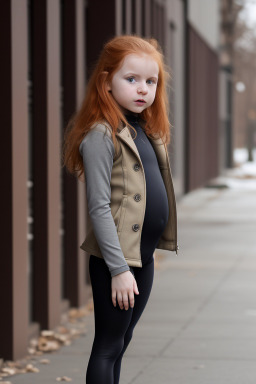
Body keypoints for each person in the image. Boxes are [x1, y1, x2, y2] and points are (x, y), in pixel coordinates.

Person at [62, 34, 178, 384]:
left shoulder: (144, 130)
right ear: (106, 82)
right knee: (108, 344)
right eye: (131, 79)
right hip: (118, 263)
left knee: (122, 342)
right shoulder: (101, 134)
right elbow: (98, 208)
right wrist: (118, 270)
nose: (142, 88)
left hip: (142, 259)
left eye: (150, 81)